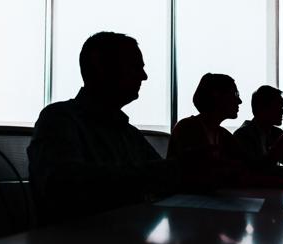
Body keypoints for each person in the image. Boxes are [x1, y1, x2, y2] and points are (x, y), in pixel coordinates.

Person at [28, 32, 176, 224]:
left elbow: (162, 177)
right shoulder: (59, 119)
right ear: (102, 68)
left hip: (121, 240)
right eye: (135, 67)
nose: (144, 76)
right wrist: (172, 170)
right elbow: (63, 186)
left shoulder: (127, 131)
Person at [167, 73, 283, 189]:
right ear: (217, 95)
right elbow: (197, 177)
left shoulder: (223, 135)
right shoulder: (187, 128)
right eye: (235, 94)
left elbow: (255, 167)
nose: (239, 101)